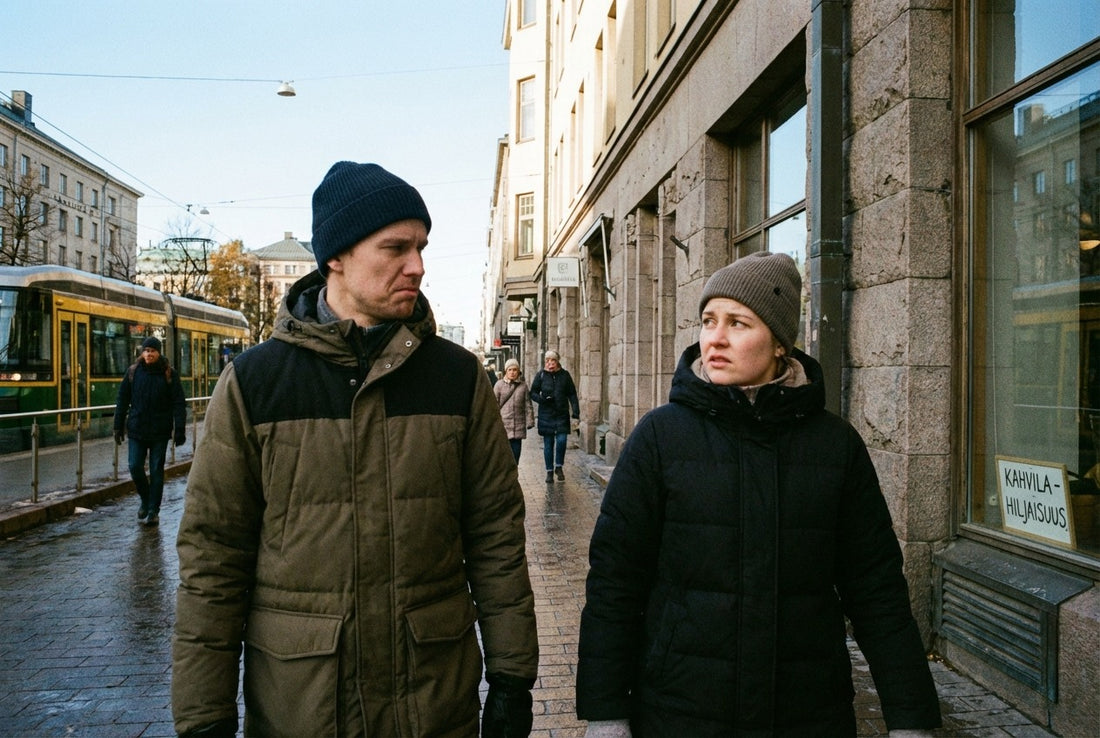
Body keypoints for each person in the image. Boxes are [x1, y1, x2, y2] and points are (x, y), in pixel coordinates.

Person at [172, 162, 539, 738]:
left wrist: (514, 678)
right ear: (335, 257)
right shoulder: (255, 383)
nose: (416, 265)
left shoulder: (457, 377)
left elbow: (495, 535)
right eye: (395, 247)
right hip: (304, 705)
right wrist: (203, 716)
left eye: (420, 247)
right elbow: (213, 559)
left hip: (433, 702)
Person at [576, 252, 941, 737]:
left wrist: (910, 717)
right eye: (708, 321)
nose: (715, 338)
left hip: (806, 713)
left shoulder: (835, 446)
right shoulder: (660, 438)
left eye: (738, 323)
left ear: (779, 345)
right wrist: (605, 713)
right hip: (681, 711)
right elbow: (614, 583)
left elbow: (876, 590)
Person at [113, 335, 186, 527]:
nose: (149, 354)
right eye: (146, 351)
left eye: (152, 351)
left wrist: (180, 429)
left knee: (156, 470)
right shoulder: (133, 372)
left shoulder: (169, 374)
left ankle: (153, 510)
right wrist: (117, 426)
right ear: (142, 352)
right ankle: (146, 500)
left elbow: (179, 402)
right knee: (134, 466)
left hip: (160, 432)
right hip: (137, 429)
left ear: (158, 353)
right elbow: (122, 400)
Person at [531, 349, 580, 483]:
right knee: (548, 443)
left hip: (561, 413)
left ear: (557, 361)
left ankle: (559, 466)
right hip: (546, 414)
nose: (550, 363)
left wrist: (575, 412)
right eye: (547, 361)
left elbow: (572, 394)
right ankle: (549, 471)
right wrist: (542, 399)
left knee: (562, 440)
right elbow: (533, 392)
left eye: (552, 360)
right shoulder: (541, 375)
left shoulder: (565, 375)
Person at [495, 358, 535, 463]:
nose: (512, 372)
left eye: (514, 370)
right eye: (510, 370)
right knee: (504, 457)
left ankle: (513, 477)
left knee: (516, 457)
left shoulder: (523, 386)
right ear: (506, 371)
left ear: (518, 371)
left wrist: (530, 421)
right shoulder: (499, 385)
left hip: (518, 427)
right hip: (503, 426)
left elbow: (528, 404)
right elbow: (494, 405)